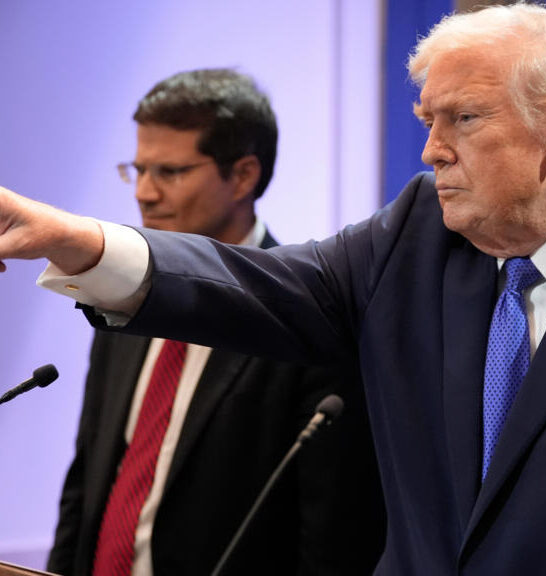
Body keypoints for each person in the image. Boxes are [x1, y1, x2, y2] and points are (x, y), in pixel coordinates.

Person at [1, 4, 546, 575]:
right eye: (428, 121)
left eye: (464, 119)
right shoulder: (418, 232)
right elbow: (257, 285)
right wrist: (73, 238)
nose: (433, 150)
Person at [43, 69, 385, 576]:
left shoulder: (306, 312)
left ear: (243, 176)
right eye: (138, 170)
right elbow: (89, 478)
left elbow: (331, 532)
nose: (145, 192)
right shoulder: (123, 291)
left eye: (170, 172)